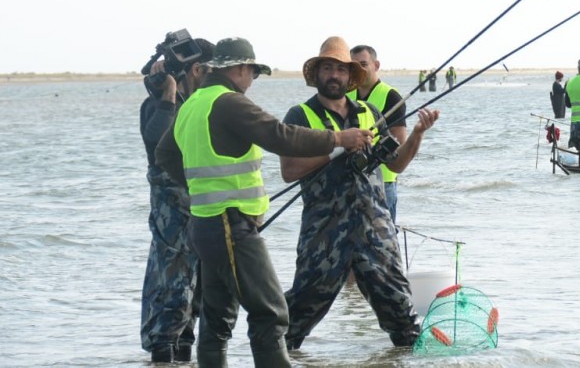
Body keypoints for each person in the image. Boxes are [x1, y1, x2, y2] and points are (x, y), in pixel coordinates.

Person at [155, 37, 366, 368]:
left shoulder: (193, 103)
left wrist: (198, 185)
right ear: (239, 69)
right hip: (231, 225)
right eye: (252, 72)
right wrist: (338, 138)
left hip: (206, 224)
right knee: (272, 311)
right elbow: (280, 135)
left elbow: (165, 154)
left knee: (218, 315)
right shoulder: (229, 103)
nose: (252, 81)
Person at [279, 36, 439, 351]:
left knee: (404, 320)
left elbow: (398, 164)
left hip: (375, 231)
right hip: (324, 232)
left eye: (341, 69)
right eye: (328, 68)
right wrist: (339, 143)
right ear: (317, 74)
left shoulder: (370, 111)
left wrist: (417, 135)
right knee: (295, 319)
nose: (334, 75)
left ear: (350, 76)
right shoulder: (299, 116)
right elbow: (290, 171)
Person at [140, 36, 214, 364]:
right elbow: (157, 146)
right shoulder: (159, 104)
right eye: (211, 70)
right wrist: (167, 96)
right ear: (197, 69)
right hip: (171, 212)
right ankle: (160, 351)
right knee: (172, 285)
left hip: (202, 207)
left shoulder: (206, 104)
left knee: (197, 290)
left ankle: (184, 350)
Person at [347, 43, 410, 223]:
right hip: (352, 179)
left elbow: (398, 143)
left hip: (384, 182)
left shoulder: (391, 96)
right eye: (354, 66)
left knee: (384, 240)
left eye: (364, 64)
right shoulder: (346, 94)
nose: (359, 69)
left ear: (376, 65)